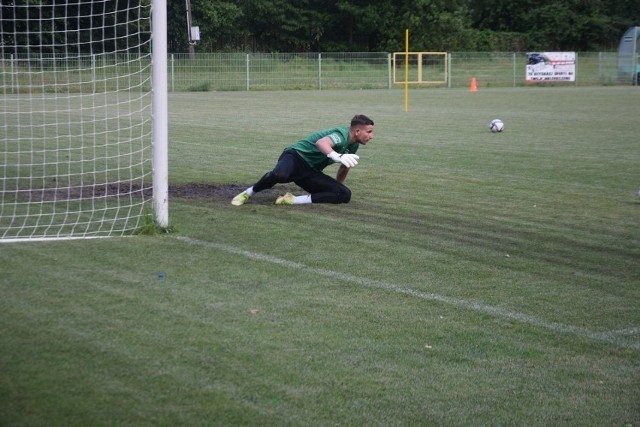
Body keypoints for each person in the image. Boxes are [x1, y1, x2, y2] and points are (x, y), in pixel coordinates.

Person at [231, 114, 374, 206]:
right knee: (279, 175)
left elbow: (344, 166)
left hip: (310, 171)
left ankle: (292, 200)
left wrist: (335, 187)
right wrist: (336, 156)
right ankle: (248, 193)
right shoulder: (341, 135)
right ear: (357, 131)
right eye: (369, 132)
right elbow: (322, 143)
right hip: (295, 157)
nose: (371, 136)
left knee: (344, 194)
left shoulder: (354, 145)